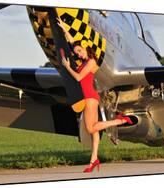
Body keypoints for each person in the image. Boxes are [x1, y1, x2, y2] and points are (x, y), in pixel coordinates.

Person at [57, 17, 133, 173]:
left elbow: (78, 78)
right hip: (88, 97)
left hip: (90, 97)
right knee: (95, 131)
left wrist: (66, 66)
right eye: (76, 52)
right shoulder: (83, 59)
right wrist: (64, 28)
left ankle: (119, 121)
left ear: (86, 48)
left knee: (91, 129)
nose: (78, 54)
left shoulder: (91, 62)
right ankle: (94, 159)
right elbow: (73, 43)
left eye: (79, 51)